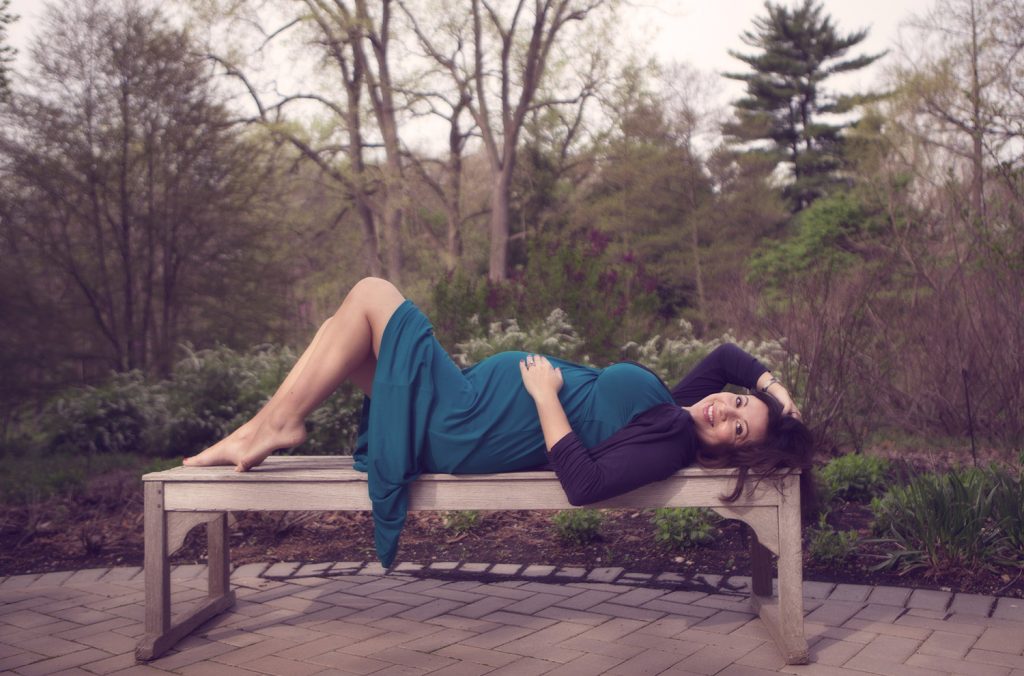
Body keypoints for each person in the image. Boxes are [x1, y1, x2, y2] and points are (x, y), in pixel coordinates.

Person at [184, 277, 813, 566]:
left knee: (373, 296)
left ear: (725, 454)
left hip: (468, 426)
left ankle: (270, 428)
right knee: (344, 326)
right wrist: (776, 393)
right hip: (467, 405)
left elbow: (586, 485)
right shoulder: (678, 408)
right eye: (736, 403)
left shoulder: (670, 437)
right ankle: (265, 427)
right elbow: (727, 358)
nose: (723, 409)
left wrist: (544, 395)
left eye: (737, 429)